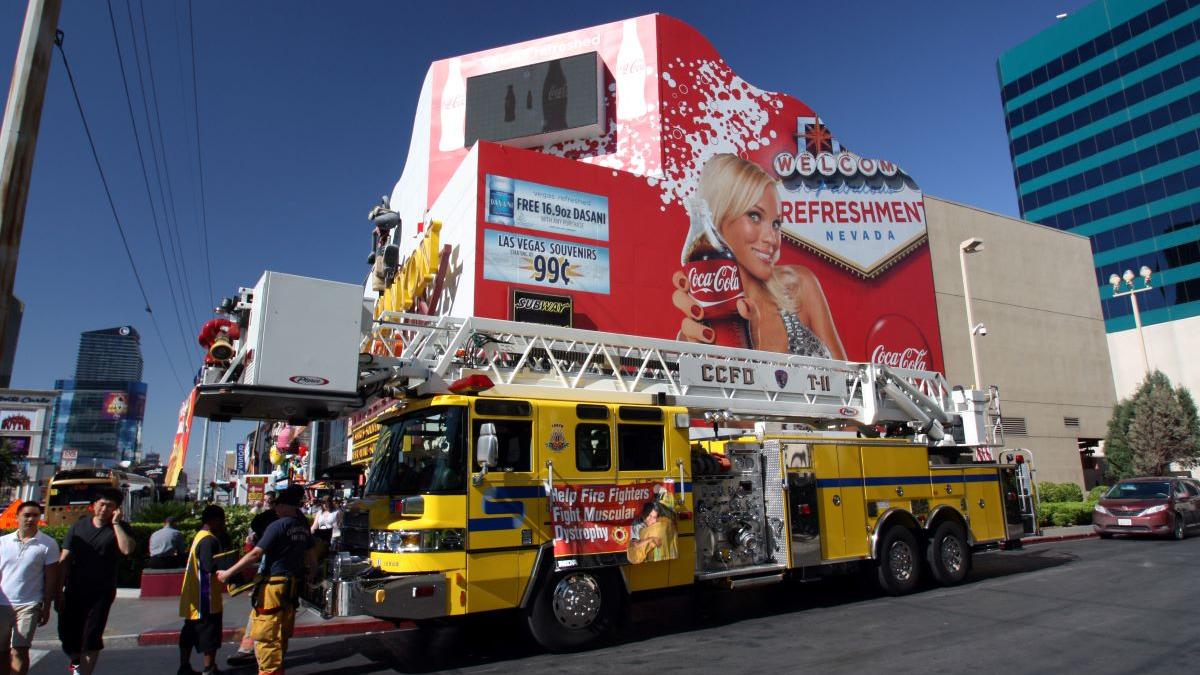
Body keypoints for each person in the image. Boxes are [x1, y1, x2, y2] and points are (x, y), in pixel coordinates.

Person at [673, 153, 846, 359]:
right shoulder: (697, 333)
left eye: (776, 224)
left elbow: (847, 376)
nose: (772, 239)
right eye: (754, 216)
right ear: (717, 219)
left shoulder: (798, 285)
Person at [217, 486, 314, 675]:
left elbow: (255, 554)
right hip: (292, 586)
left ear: (284, 505)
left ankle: (268, 669)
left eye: (277, 505)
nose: (275, 509)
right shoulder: (303, 526)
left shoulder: (277, 525)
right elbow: (312, 556)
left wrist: (228, 573)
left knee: (267, 634)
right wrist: (311, 574)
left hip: (273, 586)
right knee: (282, 633)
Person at [56, 488, 135, 675]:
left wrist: (116, 524)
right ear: (94, 505)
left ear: (116, 509)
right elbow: (65, 558)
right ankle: (76, 662)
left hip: (101, 592)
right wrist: (57, 591)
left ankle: (83, 672)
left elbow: (127, 549)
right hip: (74, 590)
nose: (104, 509)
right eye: (102, 504)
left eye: (110, 506)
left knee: (91, 637)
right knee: (68, 636)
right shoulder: (79, 526)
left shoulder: (121, 528)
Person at [0, 501, 59, 675]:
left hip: (29, 604)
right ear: (17, 516)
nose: (31, 519)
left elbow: (51, 577)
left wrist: (46, 605)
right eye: (26, 515)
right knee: (2, 652)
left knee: (20, 650)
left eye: (35, 515)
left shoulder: (48, 544)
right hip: (2, 604)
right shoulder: (3, 542)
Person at [226, 491, 277, 668]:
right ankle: (254, 651)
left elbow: (254, 554)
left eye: (270, 500)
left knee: (263, 614)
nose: (267, 502)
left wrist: (229, 572)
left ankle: (256, 652)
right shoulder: (281, 524)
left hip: (274, 581)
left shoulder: (275, 528)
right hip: (273, 579)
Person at [178, 505, 226, 675]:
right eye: (222, 521)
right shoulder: (209, 540)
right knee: (210, 634)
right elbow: (208, 565)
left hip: (194, 594)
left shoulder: (199, 536)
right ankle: (209, 668)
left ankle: (184, 667)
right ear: (214, 520)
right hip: (206, 596)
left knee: (189, 632)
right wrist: (227, 568)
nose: (223, 525)